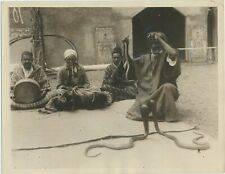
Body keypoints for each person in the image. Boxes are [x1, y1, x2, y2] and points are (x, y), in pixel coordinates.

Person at [126, 32, 181, 122]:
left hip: (166, 92)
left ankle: (170, 116)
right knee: (141, 105)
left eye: (157, 44)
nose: (155, 46)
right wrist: (126, 47)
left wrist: (159, 39)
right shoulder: (146, 58)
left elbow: (173, 53)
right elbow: (130, 64)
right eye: (153, 44)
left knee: (167, 87)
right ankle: (156, 112)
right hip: (149, 93)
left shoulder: (167, 56)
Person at [41, 49, 112, 113]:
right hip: (67, 91)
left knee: (94, 90)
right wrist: (66, 88)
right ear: (65, 60)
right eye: (68, 59)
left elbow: (87, 83)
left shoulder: (81, 69)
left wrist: (81, 88)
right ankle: (75, 102)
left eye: (73, 59)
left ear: (75, 60)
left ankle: (80, 101)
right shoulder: (61, 71)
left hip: (79, 90)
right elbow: (59, 85)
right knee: (62, 96)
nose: (71, 61)